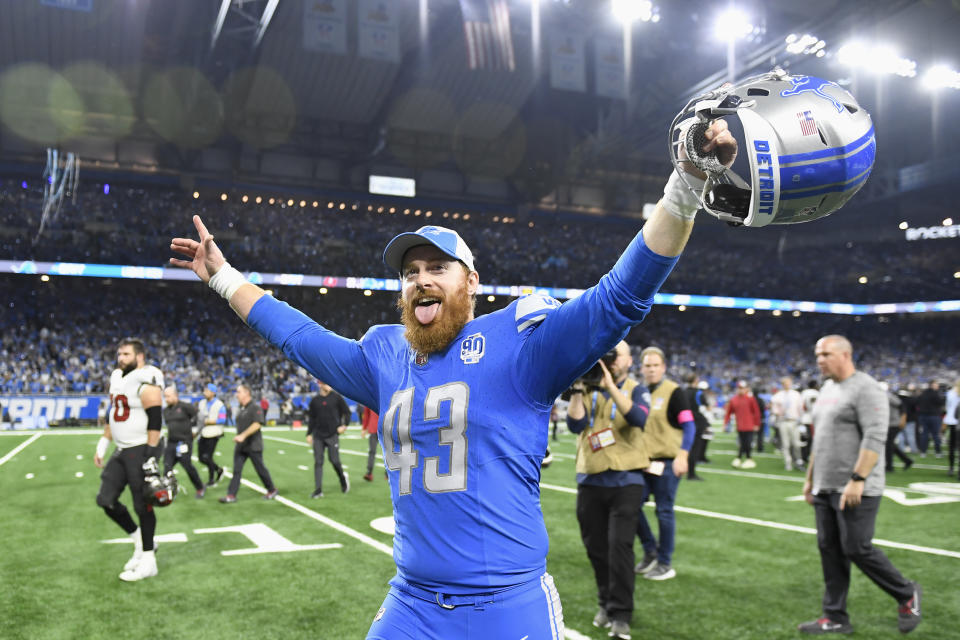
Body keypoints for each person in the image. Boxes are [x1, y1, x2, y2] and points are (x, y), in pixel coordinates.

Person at [170, 118, 736, 639]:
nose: (420, 280)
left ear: (471, 282)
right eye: (410, 272)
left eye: (437, 267)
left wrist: (685, 184)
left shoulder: (519, 344)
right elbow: (297, 335)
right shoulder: (383, 355)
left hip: (505, 601)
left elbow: (620, 297)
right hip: (411, 603)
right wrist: (222, 277)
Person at [798, 335, 921, 635]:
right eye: (817, 354)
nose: (819, 360)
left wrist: (858, 479)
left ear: (845, 355)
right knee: (829, 549)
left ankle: (906, 593)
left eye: (825, 354)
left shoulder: (866, 388)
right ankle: (835, 616)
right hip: (825, 485)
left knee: (856, 547)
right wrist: (810, 479)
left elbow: (875, 436)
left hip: (856, 485)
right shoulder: (827, 389)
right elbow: (820, 438)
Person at [566, 340, 650, 639]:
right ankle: (605, 602)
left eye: (617, 355)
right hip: (590, 478)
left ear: (629, 361)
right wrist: (577, 388)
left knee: (620, 546)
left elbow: (639, 418)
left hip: (626, 479)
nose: (611, 360)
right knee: (596, 548)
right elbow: (576, 426)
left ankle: (622, 612)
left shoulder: (636, 388)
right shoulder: (587, 388)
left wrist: (610, 387)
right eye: (608, 354)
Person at [93, 337, 164, 582]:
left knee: (142, 504)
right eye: (119, 354)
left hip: (141, 448)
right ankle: (141, 542)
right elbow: (114, 414)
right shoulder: (117, 378)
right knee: (106, 500)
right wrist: (103, 445)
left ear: (139, 356)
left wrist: (151, 455)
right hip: (122, 449)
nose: (120, 358)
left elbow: (155, 419)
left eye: (126, 354)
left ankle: (148, 561)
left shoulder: (148, 377)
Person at [634, 346, 696, 582]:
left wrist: (683, 455)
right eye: (647, 366)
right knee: (632, 505)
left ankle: (664, 562)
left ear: (664, 367)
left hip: (667, 462)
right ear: (641, 368)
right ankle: (651, 549)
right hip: (644, 462)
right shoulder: (641, 392)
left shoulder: (674, 392)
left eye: (655, 365)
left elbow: (689, 425)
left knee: (664, 511)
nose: (651, 370)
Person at [219, 384, 279, 503]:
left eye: (239, 392)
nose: (237, 395)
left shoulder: (255, 408)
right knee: (236, 470)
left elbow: (257, 424)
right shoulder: (242, 409)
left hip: (253, 445)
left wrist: (243, 435)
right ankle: (231, 495)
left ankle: (271, 489)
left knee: (260, 469)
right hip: (241, 446)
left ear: (247, 393)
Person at [307, 381, 351, 497]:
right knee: (318, 462)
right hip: (318, 436)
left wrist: (344, 426)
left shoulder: (336, 398)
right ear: (320, 384)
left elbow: (347, 412)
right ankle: (318, 490)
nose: (329, 385)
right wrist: (309, 434)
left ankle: (342, 479)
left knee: (334, 460)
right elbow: (312, 418)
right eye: (326, 383)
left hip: (332, 435)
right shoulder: (314, 401)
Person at [161, 385, 206, 498]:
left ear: (175, 395)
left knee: (187, 466)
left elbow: (200, 417)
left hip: (184, 442)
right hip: (171, 443)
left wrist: (196, 431)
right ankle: (169, 491)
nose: (166, 399)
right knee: (167, 467)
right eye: (165, 396)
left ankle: (200, 487)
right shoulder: (166, 411)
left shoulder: (185, 406)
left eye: (168, 396)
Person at [724, 381, 761, 469]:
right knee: (742, 443)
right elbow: (729, 412)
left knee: (747, 443)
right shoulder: (734, 399)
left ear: (746, 389)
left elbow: (756, 412)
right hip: (740, 425)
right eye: (740, 388)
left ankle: (746, 459)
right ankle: (742, 458)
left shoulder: (750, 399)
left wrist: (756, 424)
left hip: (749, 425)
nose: (741, 390)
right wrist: (725, 423)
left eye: (743, 388)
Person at [771, 376, 804, 471]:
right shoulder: (778, 396)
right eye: (785, 383)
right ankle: (788, 462)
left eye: (789, 383)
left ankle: (798, 461)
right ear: (782, 385)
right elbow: (774, 409)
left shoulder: (796, 394)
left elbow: (800, 408)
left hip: (794, 421)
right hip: (783, 421)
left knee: (796, 443)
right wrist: (778, 413)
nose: (787, 385)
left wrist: (800, 420)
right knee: (786, 444)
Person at [197, 383, 227, 487]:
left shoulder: (219, 404)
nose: (205, 393)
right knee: (201, 458)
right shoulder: (201, 403)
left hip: (214, 433)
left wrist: (209, 422)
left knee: (208, 457)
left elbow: (222, 419)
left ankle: (211, 480)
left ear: (213, 392)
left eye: (207, 391)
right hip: (203, 432)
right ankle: (218, 469)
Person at [682, 372, 710, 481]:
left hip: (685, 422)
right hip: (697, 422)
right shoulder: (698, 393)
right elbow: (705, 407)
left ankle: (684, 469)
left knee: (685, 447)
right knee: (695, 448)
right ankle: (691, 473)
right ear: (695, 381)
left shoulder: (683, 392)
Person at [881, 382, 912, 473]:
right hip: (888, 423)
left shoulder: (889, 397)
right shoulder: (885, 396)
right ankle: (907, 460)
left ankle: (889, 467)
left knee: (888, 445)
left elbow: (901, 405)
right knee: (889, 444)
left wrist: (903, 418)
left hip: (893, 423)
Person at [915, 381, 944, 458]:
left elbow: (917, 402)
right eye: (937, 384)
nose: (938, 386)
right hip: (934, 416)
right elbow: (941, 402)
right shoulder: (935, 393)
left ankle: (923, 452)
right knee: (935, 435)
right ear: (932, 385)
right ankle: (938, 452)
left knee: (924, 434)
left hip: (923, 416)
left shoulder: (923, 393)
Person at [800, 380, 820, 466]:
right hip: (811, 420)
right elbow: (814, 407)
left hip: (802, 419)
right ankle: (806, 457)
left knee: (803, 440)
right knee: (810, 440)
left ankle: (802, 457)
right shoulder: (816, 393)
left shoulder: (803, 392)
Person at [360, 404, 380, 481]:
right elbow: (366, 414)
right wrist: (364, 428)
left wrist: (364, 428)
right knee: (372, 451)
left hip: (382, 429)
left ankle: (369, 473)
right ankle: (369, 472)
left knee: (373, 451)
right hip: (376, 429)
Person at [945, 380, 960, 477]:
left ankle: (951, 468)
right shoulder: (951, 393)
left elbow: (947, 407)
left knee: (951, 446)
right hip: (957, 420)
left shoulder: (950, 393)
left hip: (951, 420)